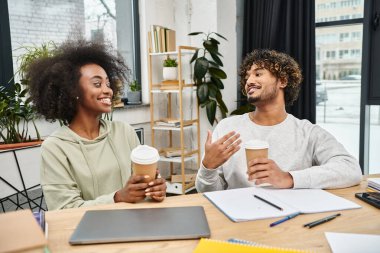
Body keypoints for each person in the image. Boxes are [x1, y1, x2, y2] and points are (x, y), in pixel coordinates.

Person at [196, 49, 362, 192]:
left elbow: (350, 168)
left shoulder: (307, 132)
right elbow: (209, 193)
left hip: (289, 222)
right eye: (247, 77)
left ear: (282, 81)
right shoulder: (228, 128)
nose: (249, 81)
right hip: (239, 222)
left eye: (258, 74)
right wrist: (208, 167)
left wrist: (289, 178)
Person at [26, 40, 166, 210]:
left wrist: (154, 190)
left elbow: (140, 189)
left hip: (135, 223)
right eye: (97, 84)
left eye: (108, 83)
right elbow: (63, 210)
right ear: (73, 91)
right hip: (88, 233)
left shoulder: (124, 132)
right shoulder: (55, 148)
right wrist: (117, 197)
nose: (108, 90)